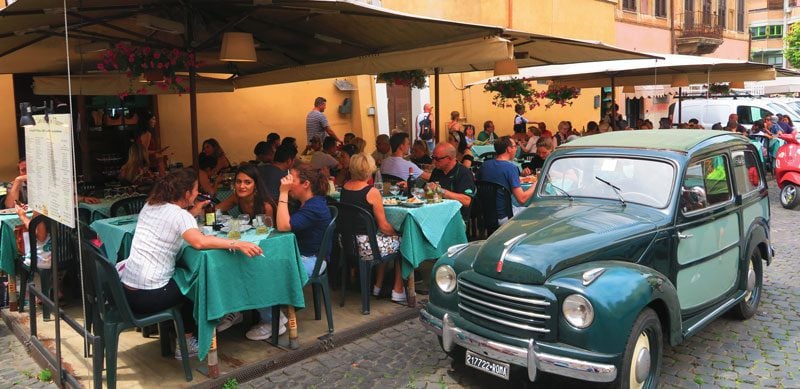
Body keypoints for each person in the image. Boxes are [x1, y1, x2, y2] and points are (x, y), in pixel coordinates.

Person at [116, 168, 262, 359]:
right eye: (195, 189)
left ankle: (187, 331)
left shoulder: (150, 205)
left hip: (127, 291)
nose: (197, 192)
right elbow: (199, 242)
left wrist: (194, 210)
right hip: (149, 296)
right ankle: (187, 341)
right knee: (196, 286)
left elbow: (173, 221)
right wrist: (238, 243)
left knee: (184, 276)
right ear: (186, 193)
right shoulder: (179, 215)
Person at [243, 165, 333, 340]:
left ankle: (273, 321)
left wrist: (283, 192)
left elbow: (284, 226)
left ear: (305, 184)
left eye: (292, 178)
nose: (287, 181)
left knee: (261, 274)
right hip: (298, 254)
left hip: (311, 260)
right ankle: (250, 312)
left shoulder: (314, 206)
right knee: (252, 264)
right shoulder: (306, 203)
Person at [341, 153, 405, 302]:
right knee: (404, 241)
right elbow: (383, 226)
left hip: (347, 243)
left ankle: (378, 285)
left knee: (382, 237)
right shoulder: (372, 192)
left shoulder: (345, 187)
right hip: (366, 246)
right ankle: (398, 290)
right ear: (369, 169)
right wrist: (398, 233)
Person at [477, 136, 535, 225]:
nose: (516, 149)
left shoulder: (485, 165)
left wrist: (520, 174)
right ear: (509, 149)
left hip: (485, 215)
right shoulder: (511, 168)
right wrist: (536, 184)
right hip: (505, 216)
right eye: (515, 146)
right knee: (535, 213)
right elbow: (522, 199)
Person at [429, 143, 476, 221]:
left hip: (456, 218)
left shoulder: (463, 173)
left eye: (437, 159)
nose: (434, 162)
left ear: (450, 158)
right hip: (437, 214)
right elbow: (429, 192)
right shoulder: (437, 171)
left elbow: (467, 201)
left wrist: (441, 191)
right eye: (433, 158)